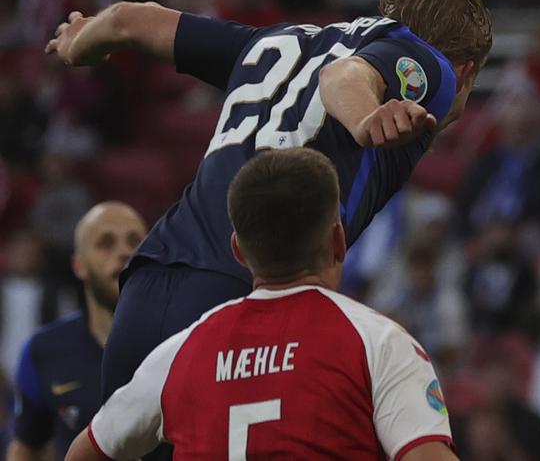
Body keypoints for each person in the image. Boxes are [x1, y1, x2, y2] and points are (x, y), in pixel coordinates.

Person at [44, 0, 491, 417]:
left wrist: (80, 43)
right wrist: (365, 120)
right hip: (240, 295)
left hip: (147, 283)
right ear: (468, 71)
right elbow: (342, 76)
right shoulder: (431, 65)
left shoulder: (275, 39)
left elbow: (128, 20)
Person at [65, 148, 457, 460]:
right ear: (339, 241)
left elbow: (85, 451)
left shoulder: (178, 354)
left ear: (238, 250)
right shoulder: (378, 343)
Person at [8, 202, 146, 461]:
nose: (125, 252)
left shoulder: (181, 342)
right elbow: (27, 445)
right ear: (79, 265)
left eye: (135, 241)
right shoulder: (44, 350)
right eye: (106, 244)